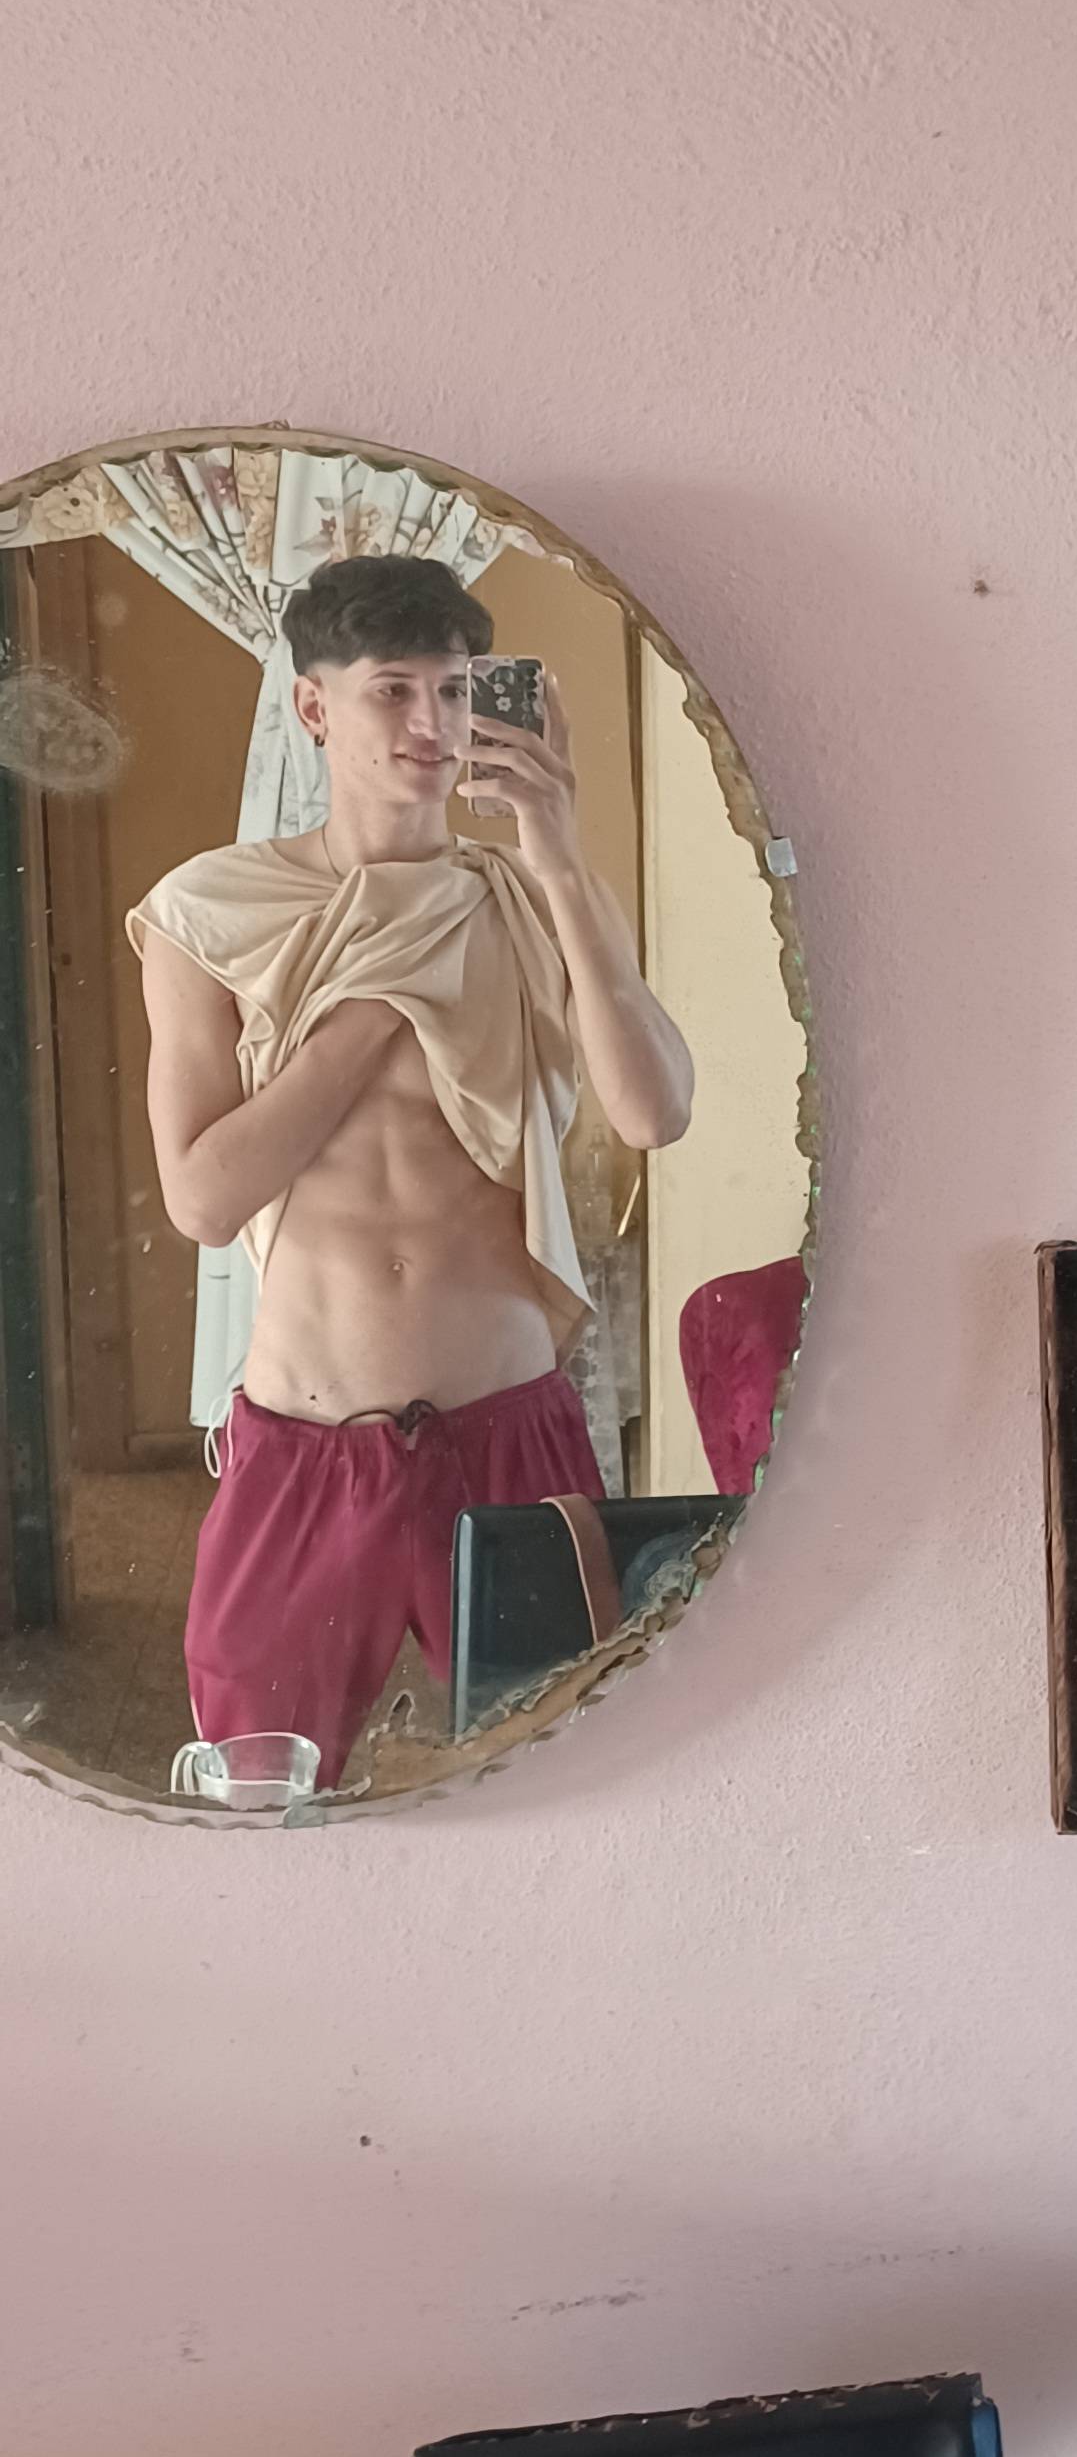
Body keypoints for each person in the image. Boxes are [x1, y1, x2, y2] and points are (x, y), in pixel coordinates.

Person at [129, 555, 693, 1784]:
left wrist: (556, 856)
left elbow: (654, 1112)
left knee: (564, 1781)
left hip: (507, 1426)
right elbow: (203, 1199)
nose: (430, 723)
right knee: (259, 1787)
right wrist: (386, 995)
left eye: (452, 689)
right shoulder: (211, 913)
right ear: (313, 707)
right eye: (392, 689)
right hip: (302, 1438)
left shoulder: (530, 896)